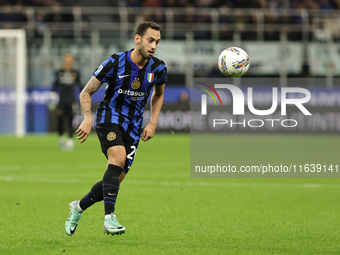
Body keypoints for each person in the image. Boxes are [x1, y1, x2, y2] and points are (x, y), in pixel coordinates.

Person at [64, 21, 167, 236]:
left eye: (157, 41)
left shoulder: (158, 68)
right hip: (109, 118)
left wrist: (153, 122)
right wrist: (86, 117)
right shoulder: (115, 62)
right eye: (150, 40)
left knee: (112, 181)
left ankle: (78, 207)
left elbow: (158, 94)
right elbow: (85, 92)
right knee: (118, 158)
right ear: (137, 38)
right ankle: (109, 219)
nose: (154, 45)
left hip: (134, 127)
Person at [50, 53, 82, 151]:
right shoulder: (59, 73)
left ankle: (70, 141)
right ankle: (61, 139)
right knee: (59, 120)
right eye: (66, 59)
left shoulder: (76, 73)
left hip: (72, 101)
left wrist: (83, 99)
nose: (68, 61)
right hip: (61, 101)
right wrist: (52, 98)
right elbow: (54, 86)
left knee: (71, 121)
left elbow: (80, 86)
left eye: (70, 59)